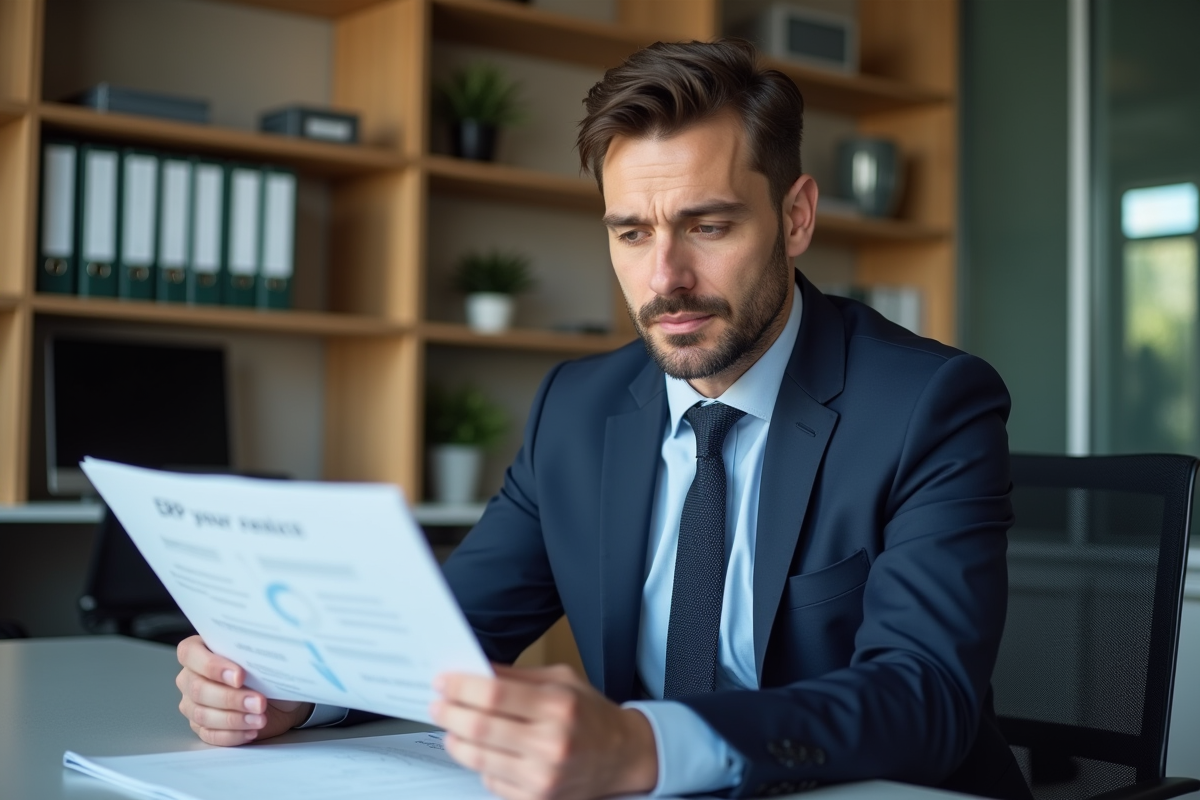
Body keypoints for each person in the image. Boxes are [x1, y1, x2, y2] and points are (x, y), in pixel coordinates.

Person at [174, 39, 1029, 800]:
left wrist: (649, 746)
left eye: (708, 225)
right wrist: (297, 691)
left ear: (795, 217)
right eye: (631, 233)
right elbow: (445, 637)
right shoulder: (575, 411)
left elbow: (925, 696)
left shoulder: (928, 405)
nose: (667, 277)